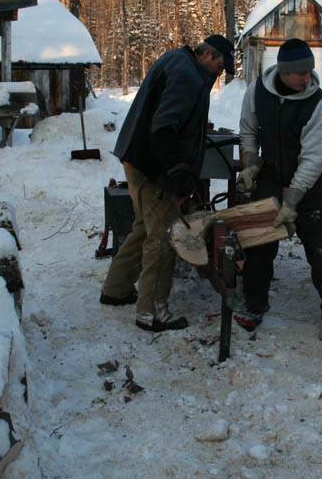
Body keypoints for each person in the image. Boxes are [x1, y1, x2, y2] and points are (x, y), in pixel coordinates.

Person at [99, 35, 234, 332]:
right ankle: (153, 312)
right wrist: (176, 169)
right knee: (162, 236)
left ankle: (117, 288)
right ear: (208, 54)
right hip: (153, 166)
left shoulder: (178, 59)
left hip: (137, 157)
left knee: (144, 227)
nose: (219, 73)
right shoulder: (187, 74)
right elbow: (163, 127)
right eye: (220, 66)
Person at [234, 37, 322, 347]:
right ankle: (253, 303)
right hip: (271, 175)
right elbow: (248, 130)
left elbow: (312, 158)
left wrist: (292, 202)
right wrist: (251, 164)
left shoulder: (319, 102)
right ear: (283, 72)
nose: (307, 77)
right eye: (300, 72)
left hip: (311, 184)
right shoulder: (257, 91)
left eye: (310, 71)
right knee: (259, 245)